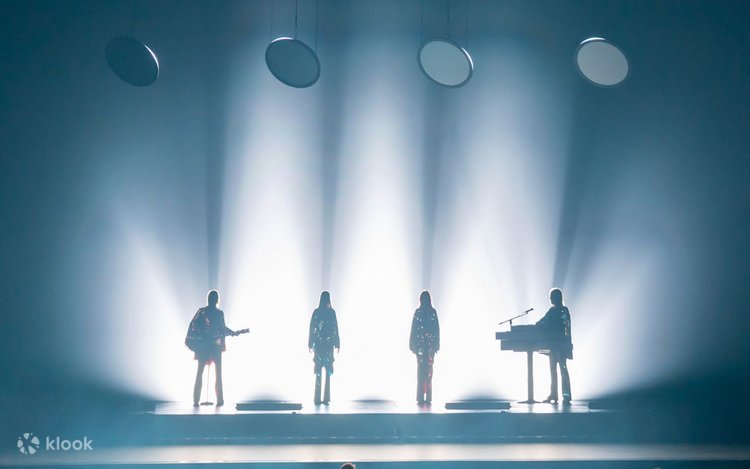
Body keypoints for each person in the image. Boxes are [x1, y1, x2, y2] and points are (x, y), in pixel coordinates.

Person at [185, 290, 238, 407]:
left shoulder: (202, 312)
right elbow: (223, 329)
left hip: (204, 346)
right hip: (213, 346)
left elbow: (194, 326)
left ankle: (196, 400)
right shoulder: (217, 313)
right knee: (217, 373)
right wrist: (232, 332)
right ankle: (219, 400)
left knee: (201, 372)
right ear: (217, 300)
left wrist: (200, 338)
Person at [535, 288, 573, 405]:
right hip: (555, 345)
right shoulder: (556, 310)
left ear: (556, 298)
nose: (550, 299)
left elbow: (567, 328)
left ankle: (564, 395)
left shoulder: (562, 310)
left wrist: (567, 344)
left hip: (559, 345)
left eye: (551, 296)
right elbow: (542, 322)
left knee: (561, 370)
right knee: (556, 370)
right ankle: (556, 395)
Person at [308, 291, 340, 405]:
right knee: (320, 370)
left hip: (324, 345)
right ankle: (321, 398)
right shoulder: (322, 312)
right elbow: (313, 328)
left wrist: (336, 342)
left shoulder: (329, 312)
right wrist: (311, 343)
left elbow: (335, 328)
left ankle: (323, 398)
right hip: (322, 345)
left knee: (325, 370)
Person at [409, 290, 440, 405]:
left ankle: (421, 397)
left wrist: (412, 344)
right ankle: (426, 397)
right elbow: (436, 330)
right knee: (428, 373)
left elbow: (414, 329)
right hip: (427, 347)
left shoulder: (420, 312)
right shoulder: (430, 312)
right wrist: (436, 344)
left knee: (422, 372)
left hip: (423, 347)